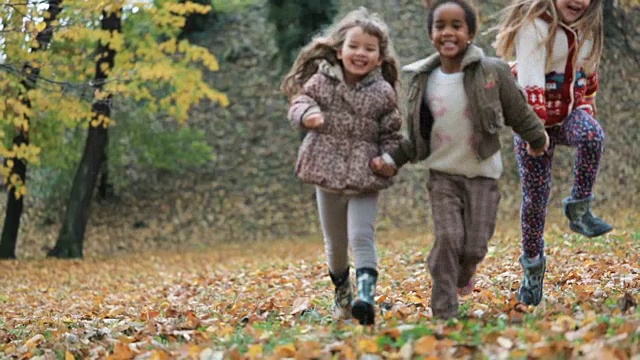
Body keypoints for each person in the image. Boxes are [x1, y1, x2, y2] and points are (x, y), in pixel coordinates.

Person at [370, 0, 549, 320]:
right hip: (443, 176)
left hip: (483, 175)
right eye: (440, 26)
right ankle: (444, 311)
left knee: (475, 246)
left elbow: (518, 111)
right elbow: (416, 135)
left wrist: (538, 139)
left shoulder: (491, 71)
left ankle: (464, 274)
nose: (447, 32)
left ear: (470, 33)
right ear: (431, 34)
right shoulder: (423, 79)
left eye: (456, 26)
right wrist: (391, 159)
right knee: (449, 238)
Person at [281, 7, 403, 325]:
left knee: (362, 236)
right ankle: (343, 295)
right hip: (326, 172)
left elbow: (392, 135)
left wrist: (389, 160)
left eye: (369, 48)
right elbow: (300, 101)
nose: (360, 53)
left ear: (379, 57)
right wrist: (307, 115)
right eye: (354, 46)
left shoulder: (383, 93)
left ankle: (365, 297)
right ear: (340, 50)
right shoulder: (322, 81)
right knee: (336, 244)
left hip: (366, 175)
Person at [494, 0, 611, 306]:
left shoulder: (587, 27)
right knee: (535, 198)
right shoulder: (535, 26)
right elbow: (530, 80)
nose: (579, 2)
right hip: (533, 122)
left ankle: (579, 208)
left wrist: (587, 104)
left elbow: (587, 75)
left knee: (592, 135)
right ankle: (532, 269)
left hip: (568, 114)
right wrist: (535, 135)